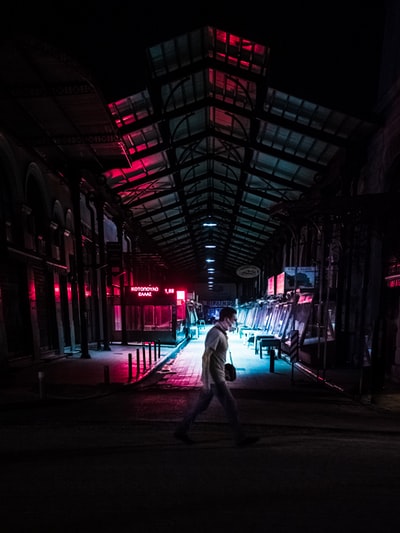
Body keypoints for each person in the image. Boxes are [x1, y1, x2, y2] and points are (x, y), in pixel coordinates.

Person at [173, 306, 260, 447]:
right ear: (226, 319)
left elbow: (215, 357)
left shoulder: (221, 333)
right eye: (234, 320)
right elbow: (206, 357)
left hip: (217, 377)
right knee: (231, 406)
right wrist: (206, 382)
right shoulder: (216, 334)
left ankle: (181, 431)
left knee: (199, 408)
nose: (235, 323)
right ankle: (240, 439)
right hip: (215, 380)